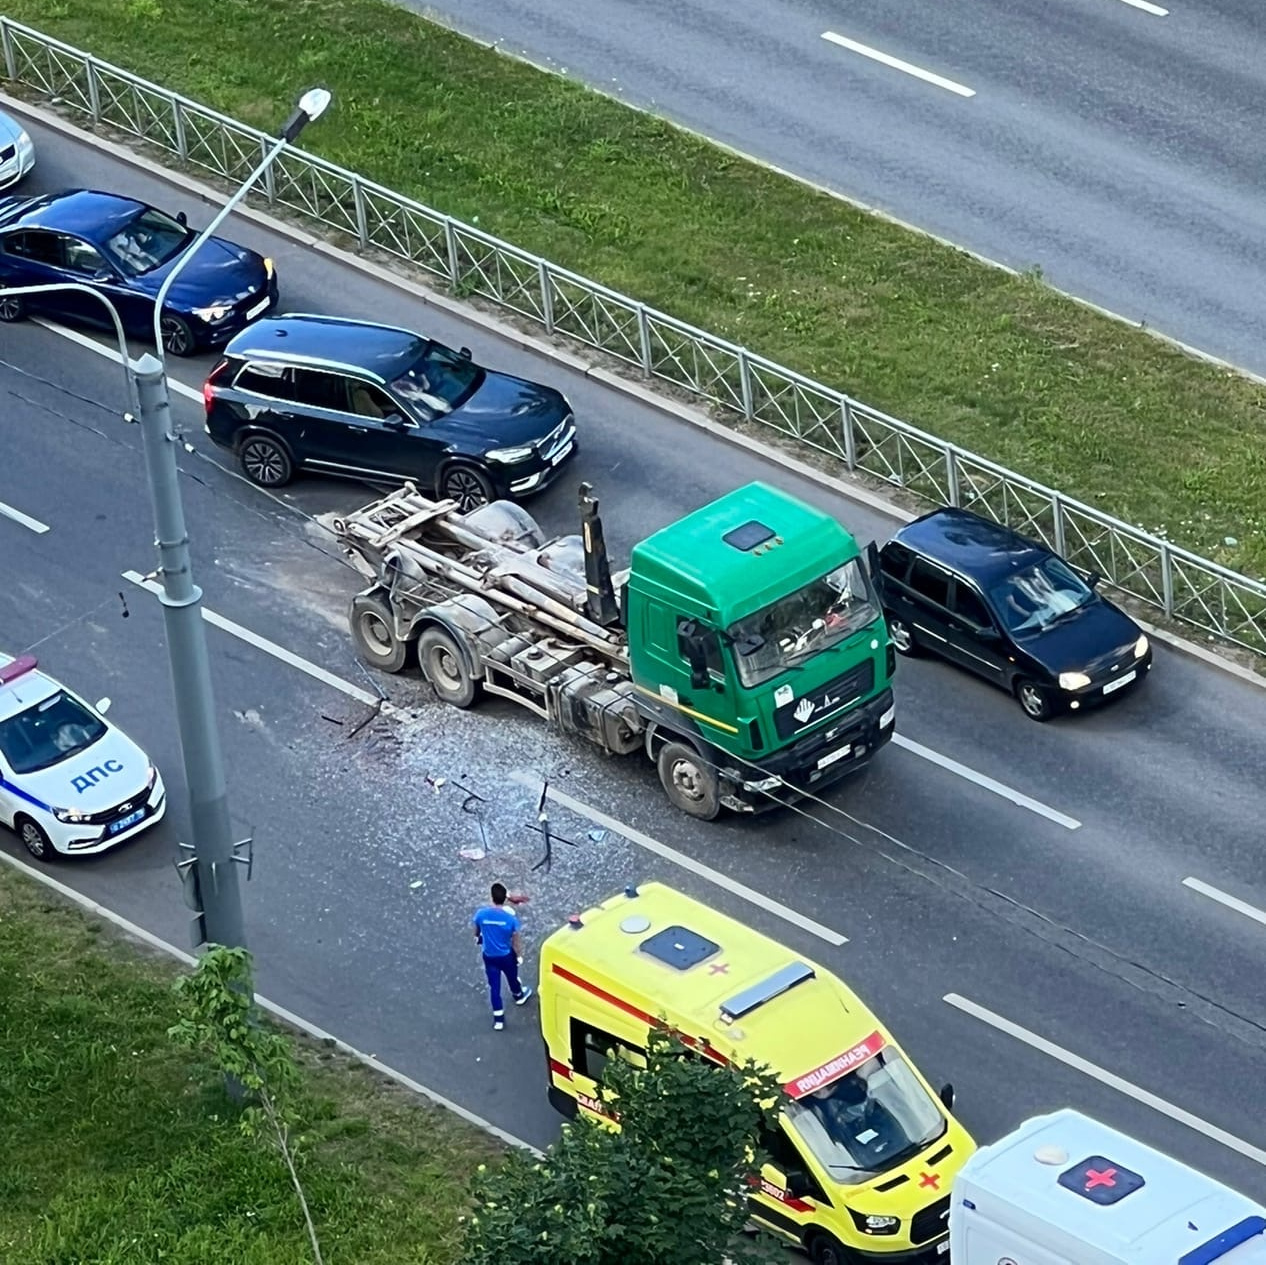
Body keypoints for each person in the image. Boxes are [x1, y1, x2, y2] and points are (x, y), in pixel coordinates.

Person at [471, 882, 532, 1030]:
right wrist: (519, 955)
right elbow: (515, 940)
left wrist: (479, 937)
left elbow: (476, 931)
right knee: (512, 977)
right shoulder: (510, 920)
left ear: (491, 897)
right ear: (505, 899)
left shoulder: (481, 914)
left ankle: (498, 1019)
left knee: (494, 987)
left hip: (489, 956)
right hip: (505, 955)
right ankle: (518, 995)